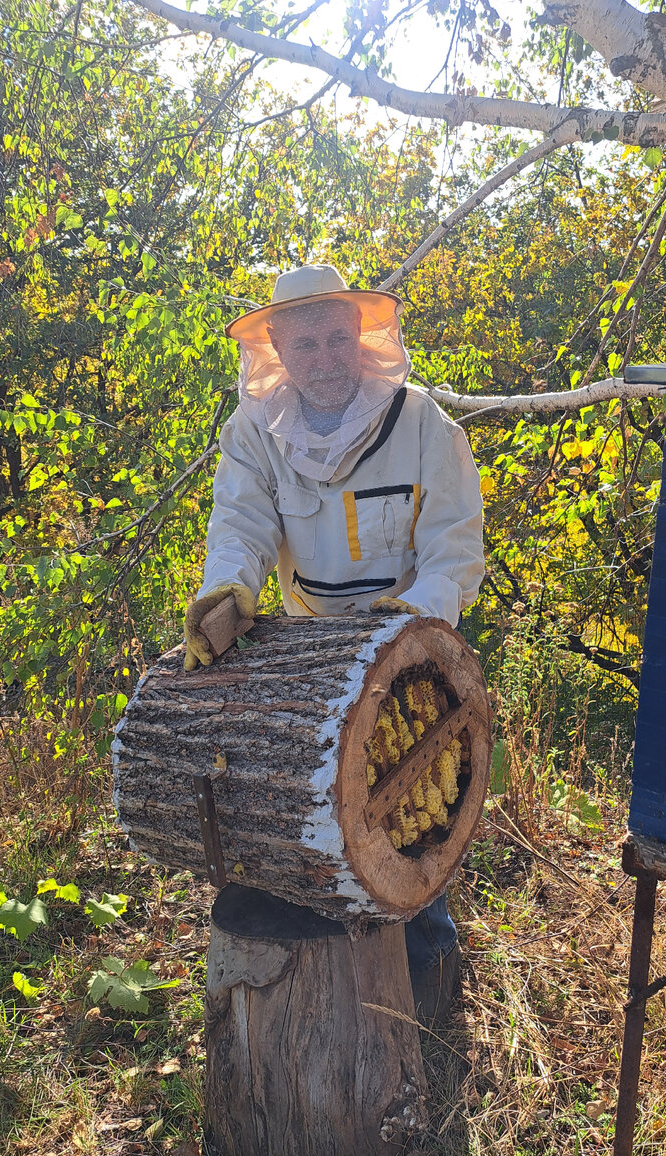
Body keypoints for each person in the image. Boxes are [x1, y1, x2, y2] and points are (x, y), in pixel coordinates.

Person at [182, 264, 485, 1020]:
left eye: (337, 338)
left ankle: (428, 975)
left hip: (413, 645)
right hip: (309, 649)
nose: (324, 358)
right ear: (278, 351)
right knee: (320, 801)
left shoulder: (420, 424)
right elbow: (243, 525)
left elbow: (455, 547)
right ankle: (331, 979)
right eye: (306, 343)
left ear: (362, 339)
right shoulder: (254, 431)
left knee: (414, 800)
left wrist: (408, 623)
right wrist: (227, 591)